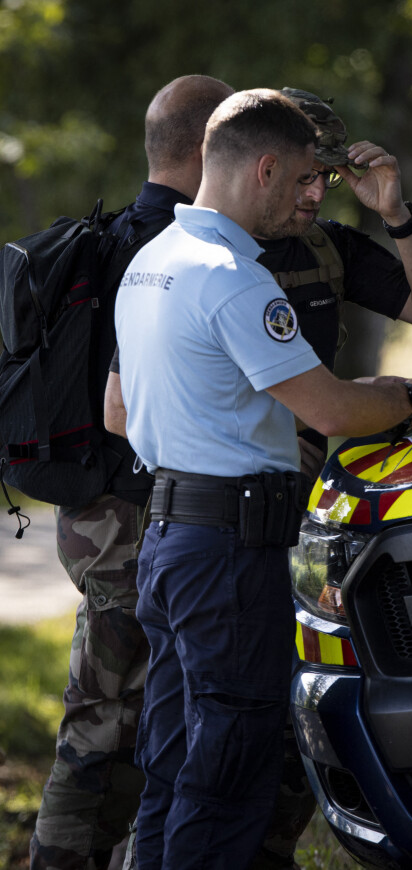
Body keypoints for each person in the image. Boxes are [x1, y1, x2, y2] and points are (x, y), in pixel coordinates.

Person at [104, 88, 412, 870]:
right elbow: (332, 409)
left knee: (172, 768)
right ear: (263, 168)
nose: (313, 195)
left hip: (170, 542)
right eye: (305, 178)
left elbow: (122, 409)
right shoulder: (234, 276)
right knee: (229, 773)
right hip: (230, 553)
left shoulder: (149, 263)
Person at [29, 74, 235, 870]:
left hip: (94, 514)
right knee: (108, 722)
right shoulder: (168, 255)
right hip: (126, 515)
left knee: (126, 713)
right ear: (209, 146)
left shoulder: (115, 236)